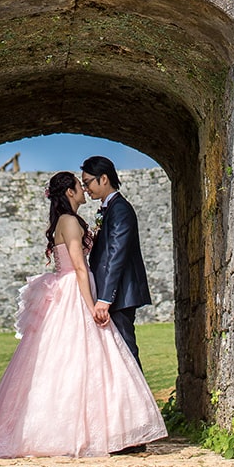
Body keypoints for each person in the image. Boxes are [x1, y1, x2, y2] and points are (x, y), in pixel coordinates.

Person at [0, 171, 166, 459]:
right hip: (76, 290)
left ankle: (96, 429)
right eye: (78, 186)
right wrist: (91, 305)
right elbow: (80, 268)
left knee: (78, 362)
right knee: (84, 361)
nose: (84, 189)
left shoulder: (64, 221)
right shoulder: (69, 222)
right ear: (69, 193)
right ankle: (85, 431)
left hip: (69, 287)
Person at [82, 156, 151, 369]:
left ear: (103, 179)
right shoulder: (109, 208)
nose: (86, 189)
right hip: (114, 295)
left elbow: (116, 255)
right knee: (116, 355)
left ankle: (140, 402)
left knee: (126, 352)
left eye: (87, 183)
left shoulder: (120, 209)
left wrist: (104, 298)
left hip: (119, 295)